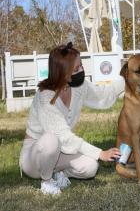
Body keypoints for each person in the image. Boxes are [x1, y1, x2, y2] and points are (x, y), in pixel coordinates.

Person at [19, 42, 123, 195]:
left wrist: (127, 79)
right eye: (76, 69)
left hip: (60, 151)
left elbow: (103, 95)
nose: (81, 70)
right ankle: (46, 181)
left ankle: (59, 173)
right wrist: (100, 153)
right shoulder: (45, 96)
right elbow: (64, 137)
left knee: (90, 167)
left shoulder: (79, 86)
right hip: (34, 157)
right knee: (51, 140)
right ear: (63, 73)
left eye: (81, 65)